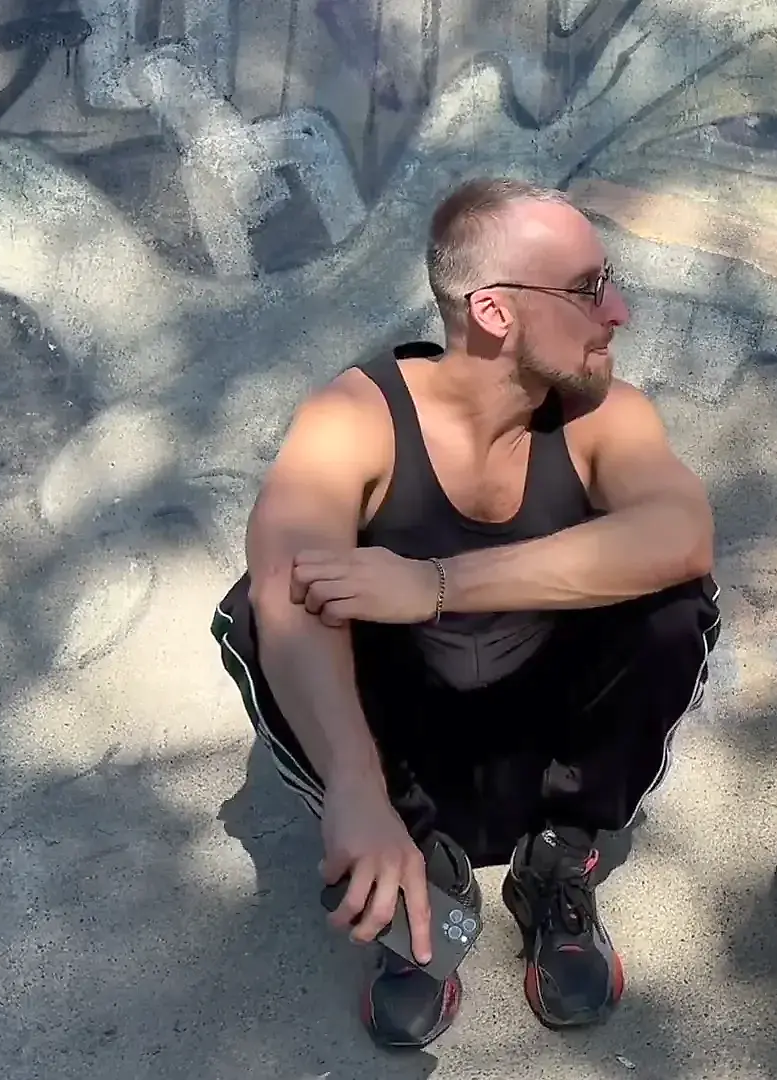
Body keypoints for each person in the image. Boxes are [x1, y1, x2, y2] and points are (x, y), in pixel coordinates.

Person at [208, 177, 721, 1050]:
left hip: (546, 751)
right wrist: (356, 789)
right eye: (588, 288)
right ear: (493, 311)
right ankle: (415, 871)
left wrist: (436, 583)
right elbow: (285, 589)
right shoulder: (355, 418)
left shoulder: (603, 415)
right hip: (405, 761)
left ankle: (557, 864)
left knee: (676, 607)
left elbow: (683, 535)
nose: (619, 311)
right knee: (265, 612)